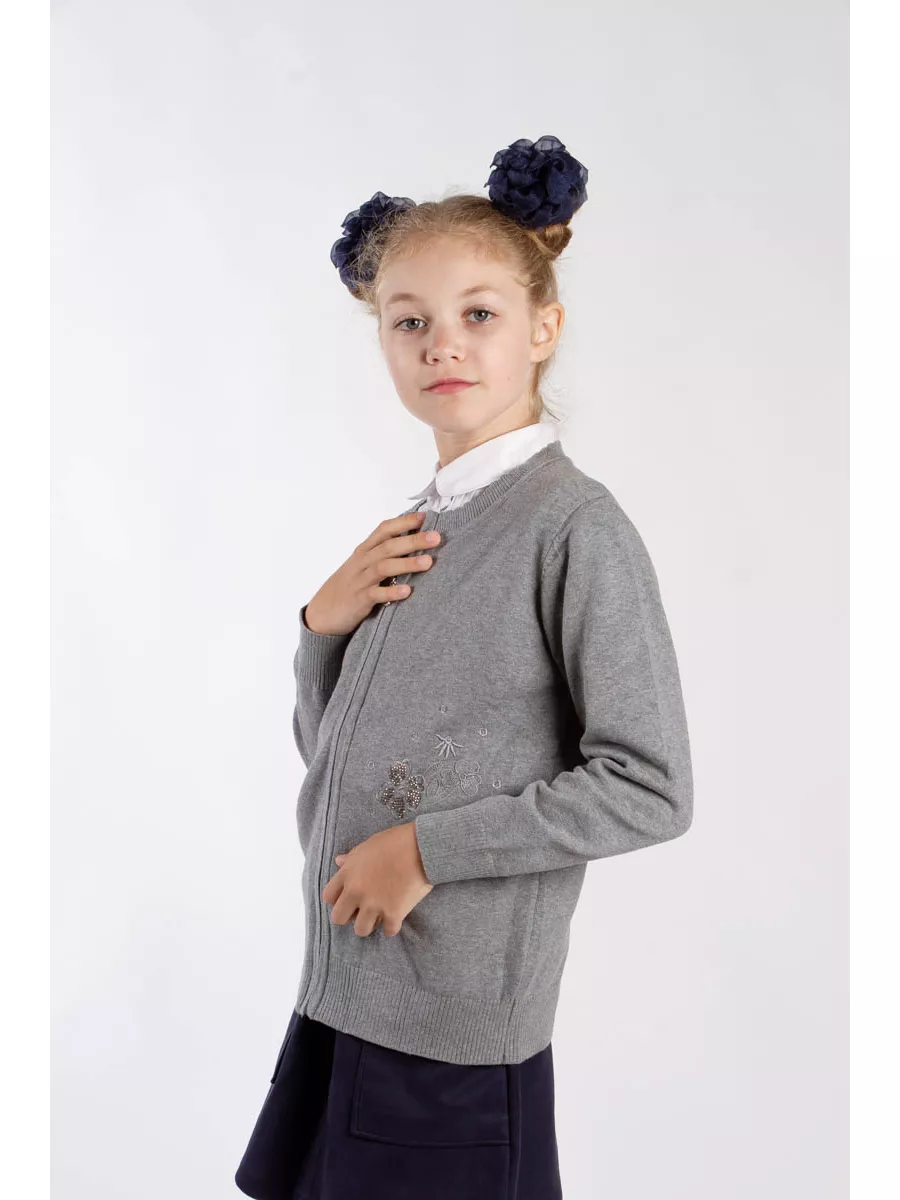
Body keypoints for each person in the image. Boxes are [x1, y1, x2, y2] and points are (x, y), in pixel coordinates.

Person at [235, 134, 694, 1200]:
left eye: (478, 314)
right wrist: (322, 630)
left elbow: (651, 786)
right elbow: (332, 762)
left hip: (450, 1040)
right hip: (347, 996)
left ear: (543, 328)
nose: (443, 343)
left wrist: (425, 850)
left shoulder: (573, 528)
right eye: (410, 321)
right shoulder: (421, 525)